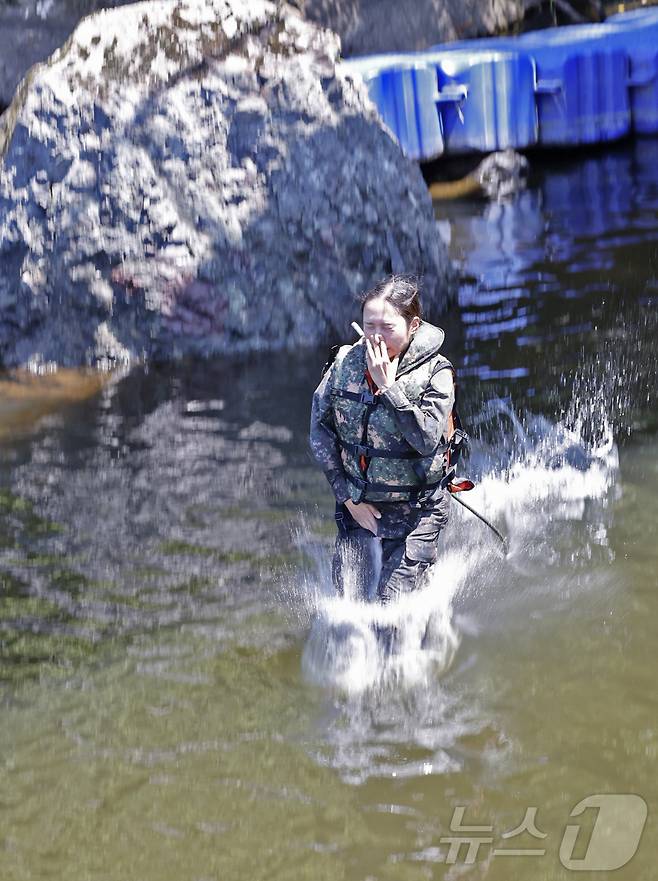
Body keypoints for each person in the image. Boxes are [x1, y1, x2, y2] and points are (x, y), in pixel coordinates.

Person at [309, 274, 457, 608]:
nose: (376, 337)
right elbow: (319, 433)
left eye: (387, 327)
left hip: (417, 511)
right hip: (359, 506)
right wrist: (347, 498)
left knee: (390, 609)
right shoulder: (344, 365)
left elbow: (426, 439)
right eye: (369, 326)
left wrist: (389, 388)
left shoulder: (437, 373)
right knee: (350, 604)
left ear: (413, 325)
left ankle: (420, 610)